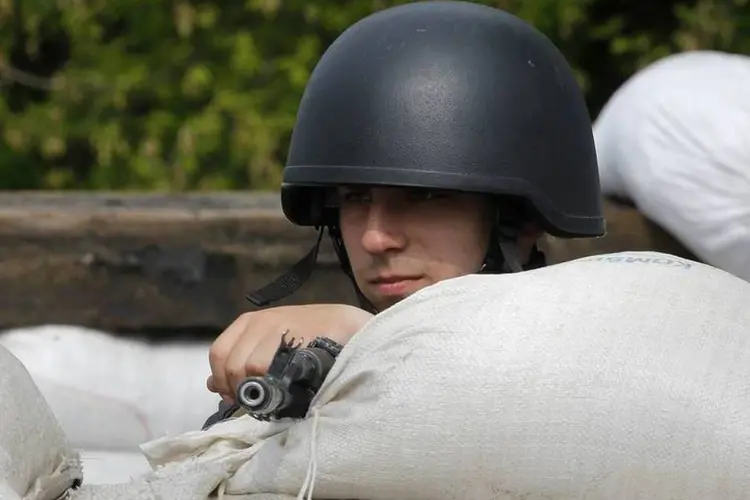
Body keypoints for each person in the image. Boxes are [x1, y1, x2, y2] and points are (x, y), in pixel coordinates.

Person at [203, 0, 606, 427]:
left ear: (519, 221)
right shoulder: (310, 370)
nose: (375, 238)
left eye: (424, 197)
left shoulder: (603, 372)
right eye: (355, 199)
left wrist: (367, 343)